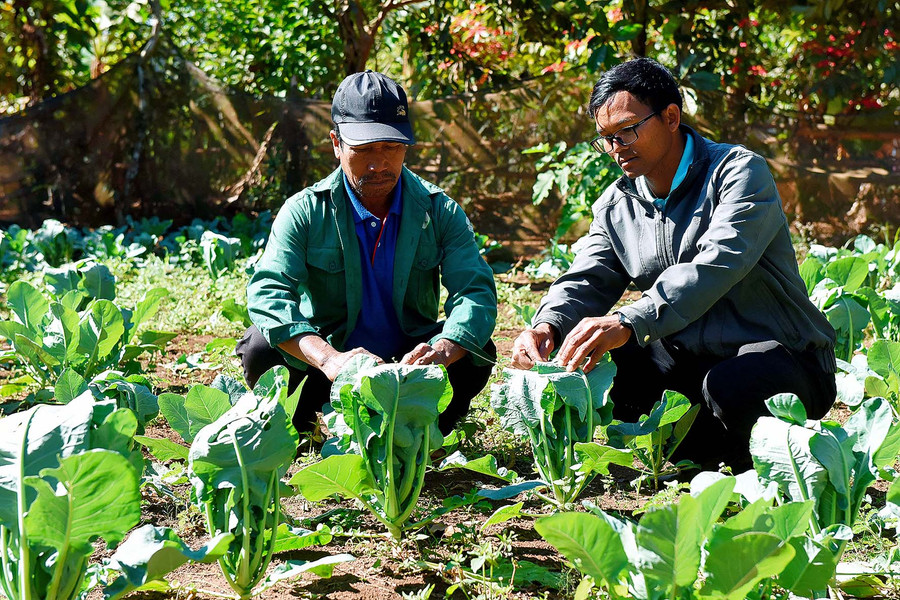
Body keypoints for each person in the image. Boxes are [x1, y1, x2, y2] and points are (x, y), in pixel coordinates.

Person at [511, 57, 836, 470]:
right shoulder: (618, 205)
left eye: (627, 130)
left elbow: (716, 264)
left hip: (780, 353)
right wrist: (548, 325)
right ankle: (701, 455)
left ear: (670, 116)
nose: (616, 149)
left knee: (730, 387)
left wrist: (630, 320)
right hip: (692, 358)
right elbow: (588, 277)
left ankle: (757, 457)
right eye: (605, 138)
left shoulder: (738, 173)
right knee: (616, 363)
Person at [239, 70, 497, 436]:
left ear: (406, 145)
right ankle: (306, 427)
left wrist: (439, 352)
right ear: (336, 144)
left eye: (391, 148)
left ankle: (422, 430)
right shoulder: (305, 210)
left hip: (411, 371)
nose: (379, 164)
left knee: (474, 345)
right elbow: (268, 293)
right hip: (330, 371)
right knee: (260, 348)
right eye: (363, 150)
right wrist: (329, 359)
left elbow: (475, 293)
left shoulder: (439, 210)